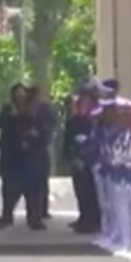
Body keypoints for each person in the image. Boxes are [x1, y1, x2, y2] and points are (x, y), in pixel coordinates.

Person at [0, 84, 38, 230]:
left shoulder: (31, 109)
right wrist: (10, 116)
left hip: (26, 155)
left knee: (30, 189)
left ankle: (33, 218)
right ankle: (7, 216)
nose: (20, 97)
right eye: (17, 94)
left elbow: (36, 124)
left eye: (22, 94)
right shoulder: (8, 108)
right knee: (8, 189)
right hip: (10, 154)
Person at [63, 93, 101, 234]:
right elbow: (67, 142)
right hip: (77, 160)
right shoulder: (72, 122)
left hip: (89, 161)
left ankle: (92, 220)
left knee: (91, 193)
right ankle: (83, 217)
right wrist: (70, 157)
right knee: (80, 192)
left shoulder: (94, 122)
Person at [25, 86, 56, 222]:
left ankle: (42, 210)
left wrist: (43, 134)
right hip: (28, 149)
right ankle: (33, 211)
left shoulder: (44, 108)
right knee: (32, 182)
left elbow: (51, 124)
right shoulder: (25, 108)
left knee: (41, 181)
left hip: (41, 147)